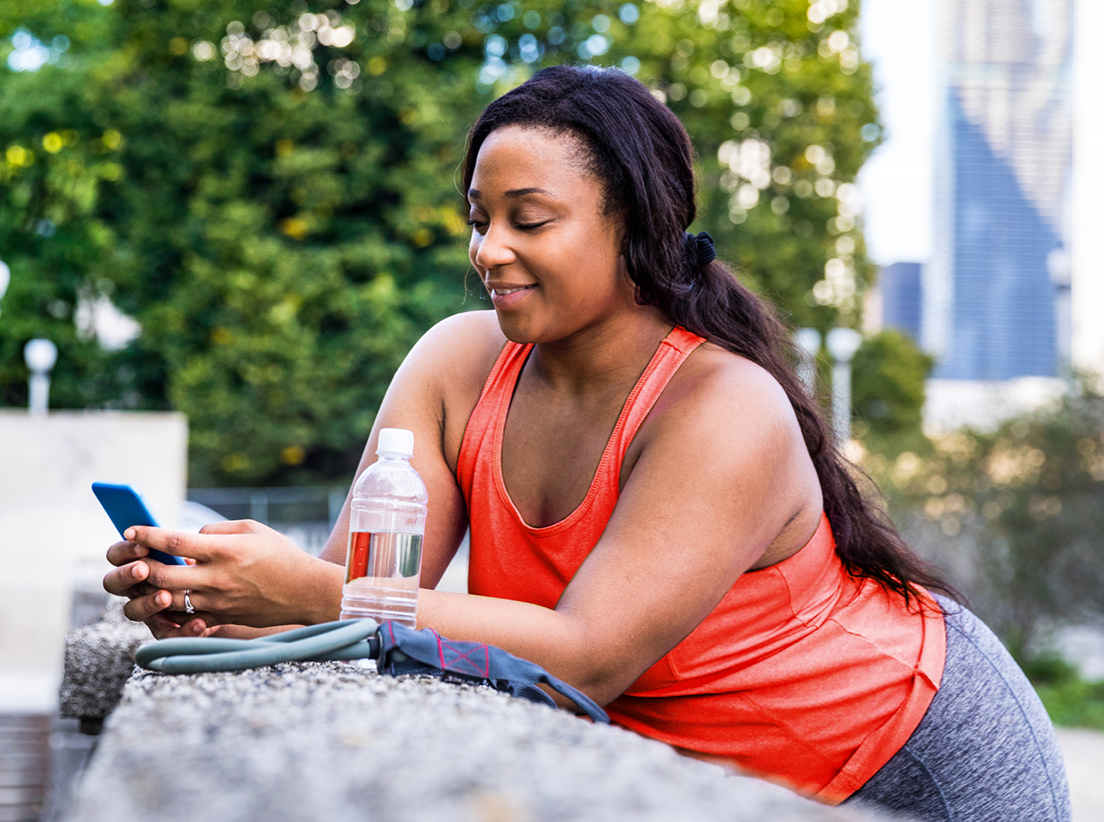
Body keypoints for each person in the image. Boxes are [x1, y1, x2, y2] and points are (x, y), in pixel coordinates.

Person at [104, 65, 1070, 820]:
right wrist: (208, 595)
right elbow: (353, 600)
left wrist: (314, 591)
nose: (487, 250)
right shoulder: (455, 366)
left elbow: (584, 656)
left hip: (916, 755)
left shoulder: (721, 407)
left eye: (531, 220)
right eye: (480, 221)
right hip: (721, 768)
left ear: (635, 229)